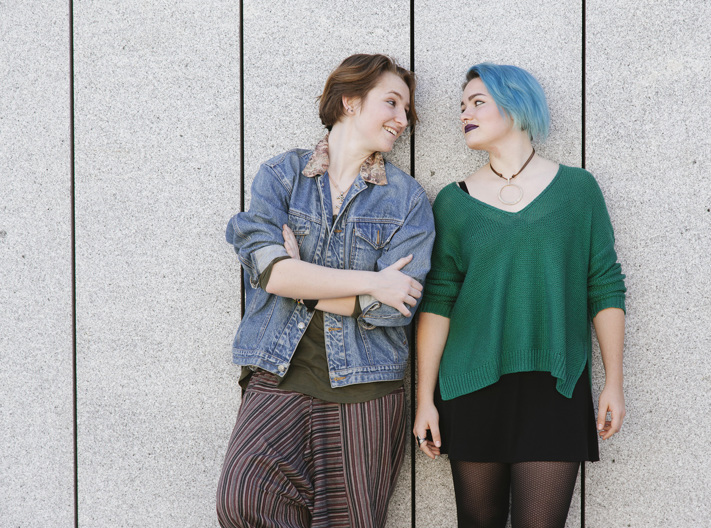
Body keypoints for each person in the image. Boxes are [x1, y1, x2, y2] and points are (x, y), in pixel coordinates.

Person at [217, 54, 435, 528]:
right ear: (350, 101)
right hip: (278, 371)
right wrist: (374, 280)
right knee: (242, 502)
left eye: (406, 111)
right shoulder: (282, 176)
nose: (403, 120)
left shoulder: (408, 199)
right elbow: (269, 270)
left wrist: (301, 278)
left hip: (367, 385)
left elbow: (394, 311)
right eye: (392, 103)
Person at [413, 63, 627, 528]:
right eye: (462, 106)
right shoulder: (453, 200)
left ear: (516, 105)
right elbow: (438, 300)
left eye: (477, 102)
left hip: (556, 384)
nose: (464, 113)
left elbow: (604, 283)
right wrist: (424, 399)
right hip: (470, 384)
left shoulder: (578, 190)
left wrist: (614, 380)